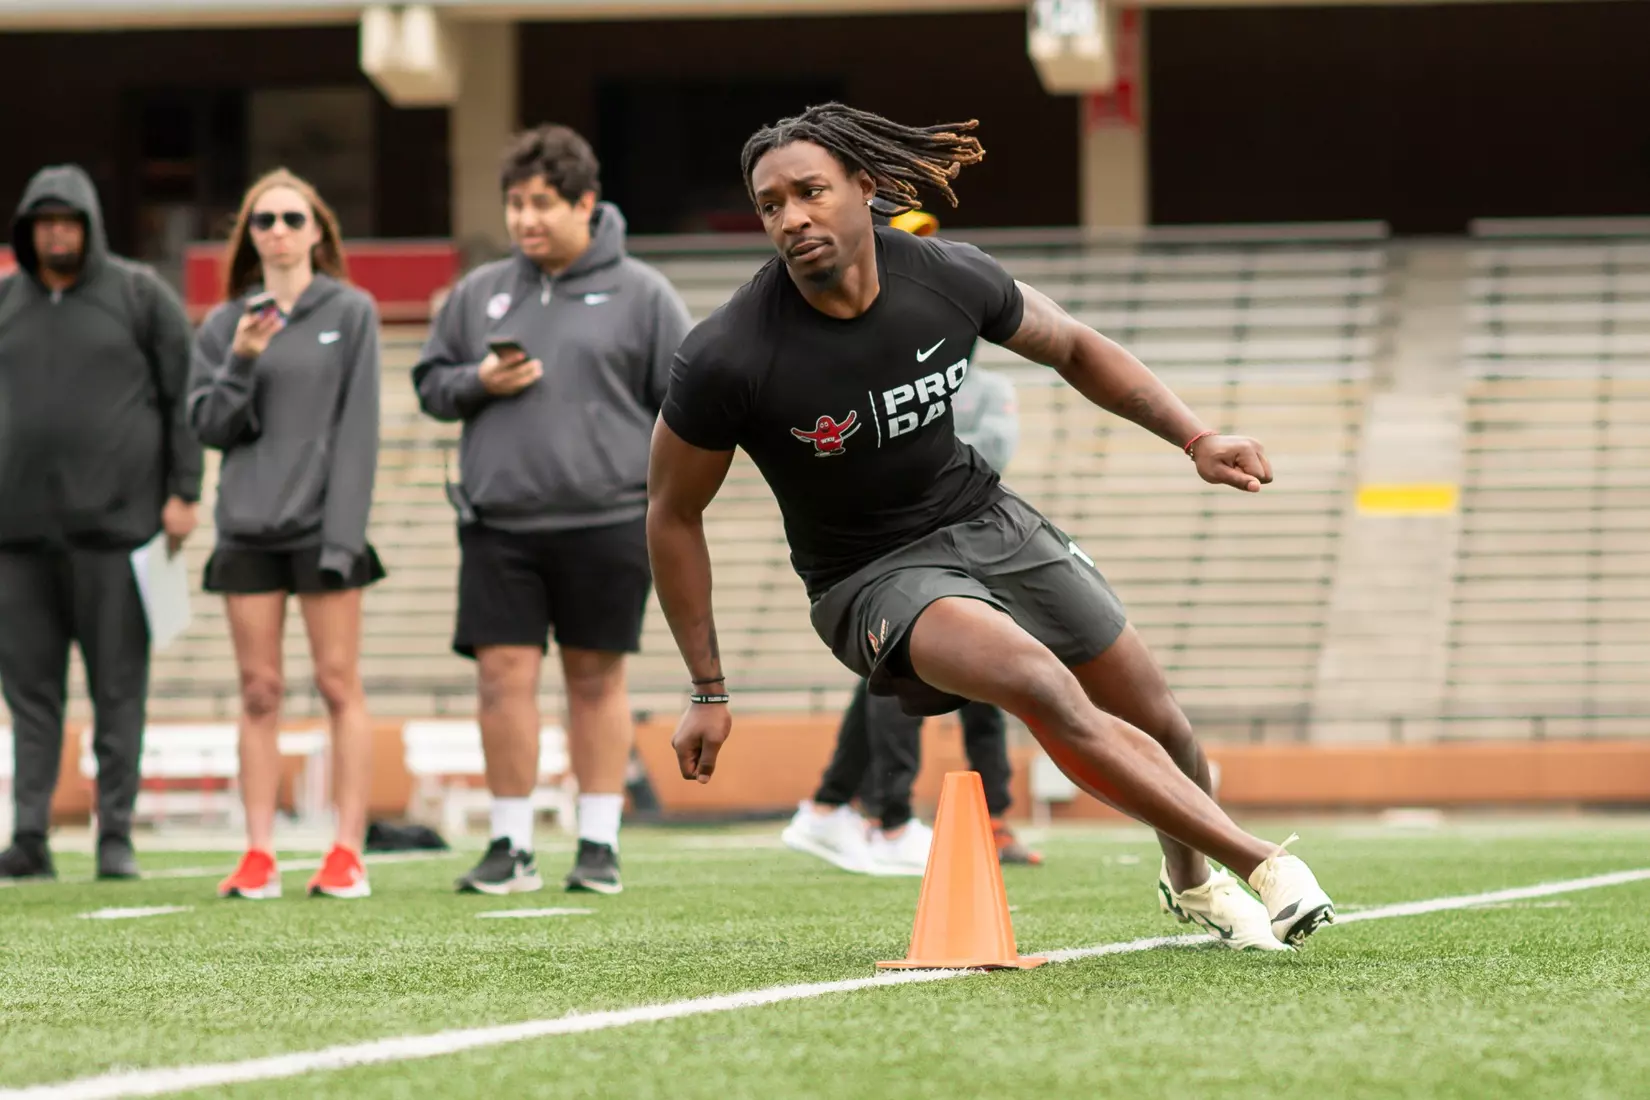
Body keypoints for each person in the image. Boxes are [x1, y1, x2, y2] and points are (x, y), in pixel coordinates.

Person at [647, 103, 1336, 952]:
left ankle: (1192, 885)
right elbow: (672, 511)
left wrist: (1196, 436)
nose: (791, 218)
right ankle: (1264, 865)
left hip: (983, 516)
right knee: (1038, 683)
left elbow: (1075, 347)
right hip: (870, 575)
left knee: (1164, 726)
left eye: (810, 192)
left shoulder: (946, 275)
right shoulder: (726, 355)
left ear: (866, 188)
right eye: (770, 205)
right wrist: (707, 689)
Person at [413, 124, 692, 897]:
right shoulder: (478, 293)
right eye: (514, 204)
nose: (526, 220)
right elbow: (432, 384)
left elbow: (686, 401)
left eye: (542, 204)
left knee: (596, 680)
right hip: (498, 523)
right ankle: (511, 845)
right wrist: (478, 381)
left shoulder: (642, 293)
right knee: (502, 681)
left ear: (586, 204)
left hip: (606, 519)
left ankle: (598, 842)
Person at [0, 164, 203, 881]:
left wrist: (185, 490)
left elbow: (184, 395)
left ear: (89, 225)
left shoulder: (139, 296)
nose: (56, 233)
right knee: (29, 697)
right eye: (43, 222)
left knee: (119, 691)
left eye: (68, 220)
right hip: (17, 539)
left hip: (118, 534)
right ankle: (29, 835)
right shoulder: (5, 302)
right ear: (27, 230)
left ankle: (113, 834)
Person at [188, 168, 383, 900]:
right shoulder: (221, 325)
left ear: (317, 233)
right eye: (264, 220)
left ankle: (346, 850)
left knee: (337, 684)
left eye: (292, 219)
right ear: (250, 236)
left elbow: (358, 434)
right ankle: (260, 852)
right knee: (259, 690)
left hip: (323, 532)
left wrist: (343, 539)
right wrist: (240, 358)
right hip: (246, 527)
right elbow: (210, 428)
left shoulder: (352, 311)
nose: (277, 231)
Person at [785, 363, 1041, 874]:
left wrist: (913, 462)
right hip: (897, 544)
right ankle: (887, 817)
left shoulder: (988, 388)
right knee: (898, 668)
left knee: (981, 680)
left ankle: (838, 805)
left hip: (963, 539)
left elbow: (993, 452)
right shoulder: (883, 377)